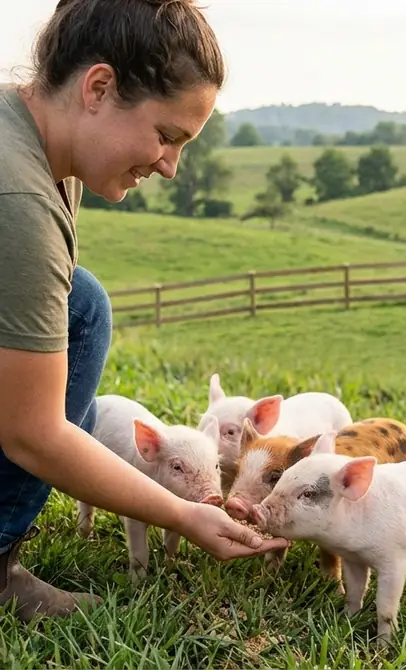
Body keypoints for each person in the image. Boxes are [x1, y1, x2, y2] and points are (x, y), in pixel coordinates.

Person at [0, 0, 289, 622]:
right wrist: (182, 513)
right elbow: (32, 434)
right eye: (166, 136)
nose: (170, 165)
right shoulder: (19, 200)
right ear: (99, 88)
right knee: (83, 315)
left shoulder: (35, 145)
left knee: (79, 300)